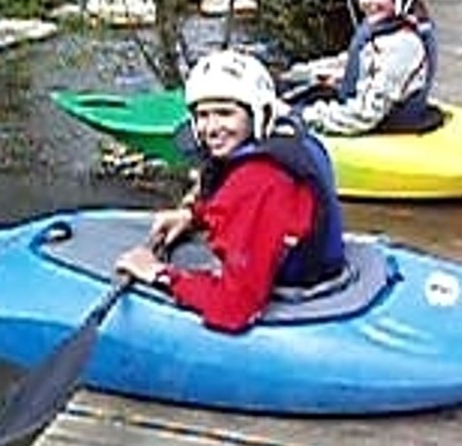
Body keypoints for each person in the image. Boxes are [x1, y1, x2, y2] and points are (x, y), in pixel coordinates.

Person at [115, 49, 346, 333]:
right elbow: (247, 203)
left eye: (225, 113)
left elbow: (233, 309)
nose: (210, 128)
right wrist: (191, 215)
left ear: (256, 113)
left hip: (299, 285)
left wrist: (158, 273)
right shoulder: (291, 136)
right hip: (318, 262)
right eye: (202, 115)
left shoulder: (257, 181)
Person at [298, 0, 439, 135]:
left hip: (383, 124)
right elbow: (363, 60)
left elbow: (364, 114)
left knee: (293, 111)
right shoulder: (385, 25)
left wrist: (303, 116)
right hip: (371, 111)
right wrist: (307, 72)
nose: (366, 1)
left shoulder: (403, 44)